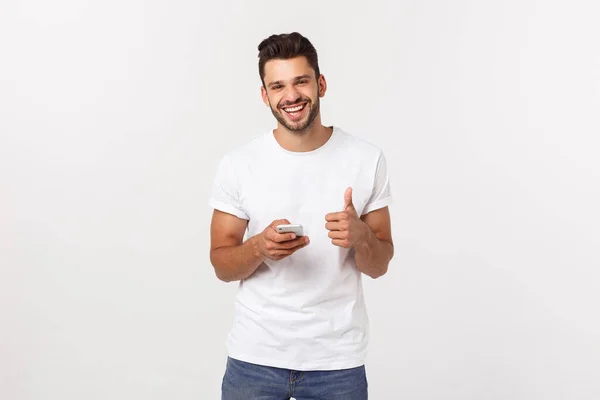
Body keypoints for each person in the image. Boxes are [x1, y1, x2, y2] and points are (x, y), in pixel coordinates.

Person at [208, 32, 394, 400]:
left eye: (300, 81)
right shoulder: (238, 165)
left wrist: (361, 237)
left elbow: (380, 264)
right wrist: (259, 247)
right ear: (265, 95)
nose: (290, 96)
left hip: (337, 362)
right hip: (255, 357)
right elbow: (221, 264)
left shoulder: (366, 159)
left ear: (320, 84)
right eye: (277, 86)